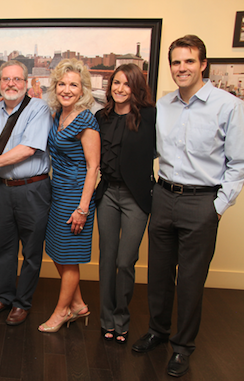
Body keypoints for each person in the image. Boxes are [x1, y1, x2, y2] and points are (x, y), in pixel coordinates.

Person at [131, 35, 244, 378]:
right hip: (163, 197)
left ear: (203, 64)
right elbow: (148, 151)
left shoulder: (228, 105)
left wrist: (218, 206)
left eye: (189, 61)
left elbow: (238, 163)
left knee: (192, 280)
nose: (182, 68)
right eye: (176, 62)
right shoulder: (163, 105)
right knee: (159, 274)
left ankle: (182, 347)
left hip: (202, 201)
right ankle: (158, 331)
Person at [0, 60, 52, 326]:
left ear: (26, 83)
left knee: (31, 251)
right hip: (4, 191)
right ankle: (5, 297)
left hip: (34, 188)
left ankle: (22, 303)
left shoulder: (39, 108)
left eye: (17, 79)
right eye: (6, 79)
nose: (11, 84)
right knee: (3, 247)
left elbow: (28, 148)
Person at [94, 64, 156, 343]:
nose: (119, 89)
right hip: (107, 194)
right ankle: (106, 318)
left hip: (136, 198)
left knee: (125, 260)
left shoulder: (150, 116)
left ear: (136, 88)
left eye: (126, 84)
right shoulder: (101, 117)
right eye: (115, 83)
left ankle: (122, 318)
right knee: (107, 259)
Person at [39, 59, 100, 333]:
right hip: (58, 192)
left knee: (69, 256)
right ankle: (77, 305)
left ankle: (62, 311)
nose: (66, 89)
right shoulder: (58, 115)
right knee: (57, 252)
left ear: (82, 89)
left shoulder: (86, 119)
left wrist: (83, 208)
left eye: (73, 84)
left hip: (77, 197)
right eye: (61, 84)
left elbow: (93, 167)